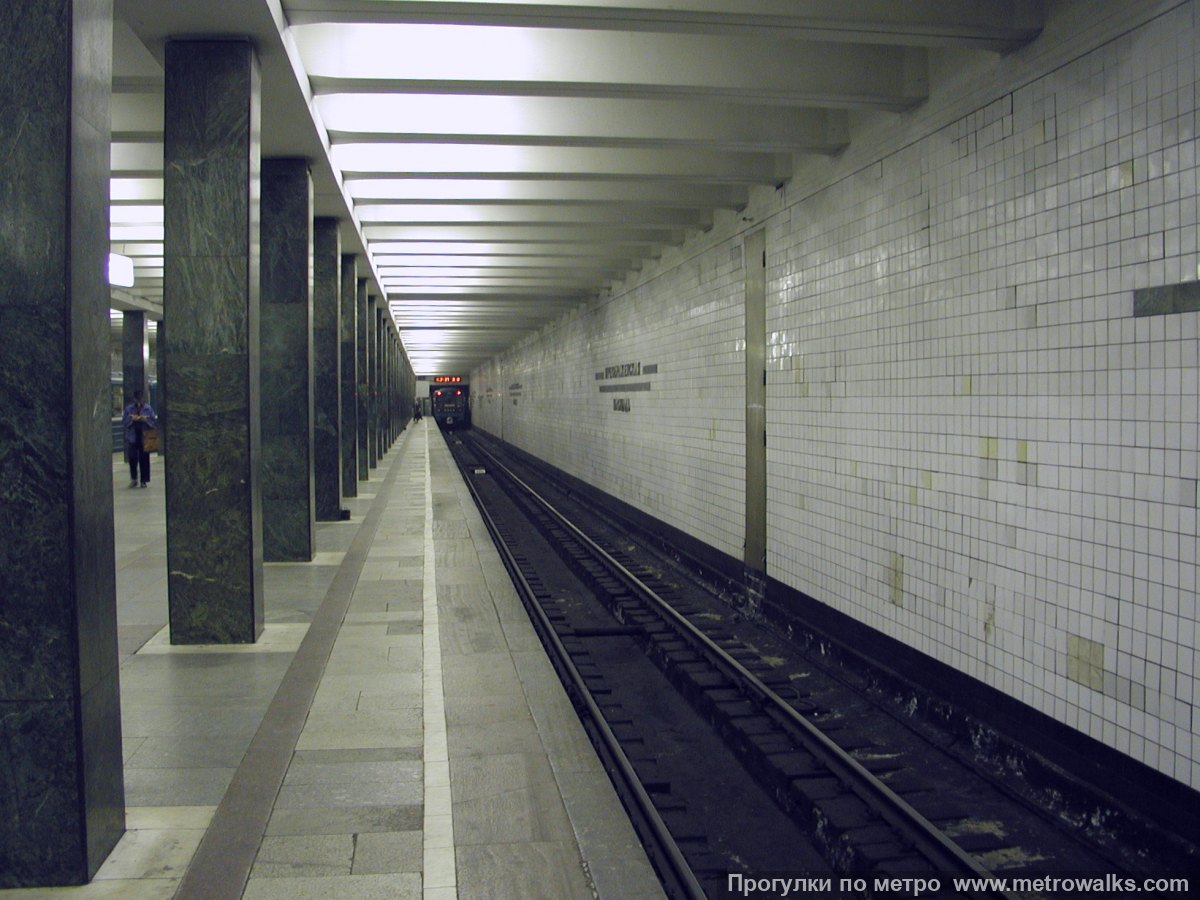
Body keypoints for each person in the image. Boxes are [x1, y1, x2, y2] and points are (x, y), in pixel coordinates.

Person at [122, 389, 158, 488]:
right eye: (137, 399)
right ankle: (134, 478)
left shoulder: (148, 409)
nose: (139, 401)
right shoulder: (129, 409)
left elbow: (154, 423)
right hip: (133, 437)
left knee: (144, 459)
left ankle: (144, 480)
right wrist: (132, 420)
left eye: (140, 399)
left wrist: (145, 420)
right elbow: (124, 422)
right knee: (132, 458)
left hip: (144, 437)